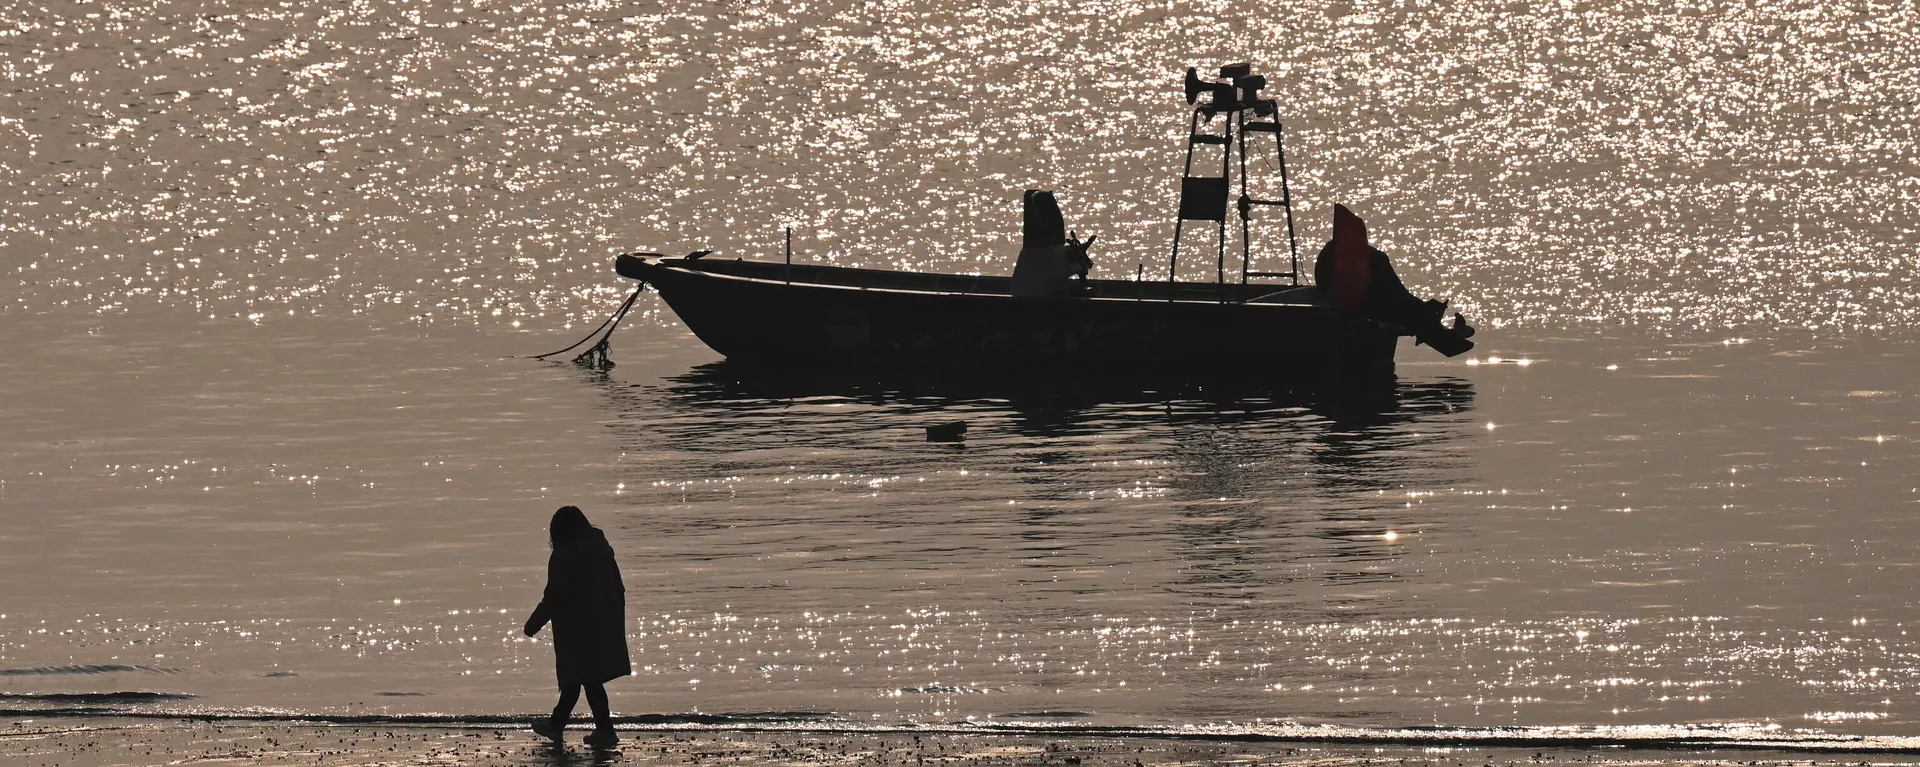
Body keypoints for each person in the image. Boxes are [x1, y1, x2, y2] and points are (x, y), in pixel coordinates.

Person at [524, 505, 631, 746]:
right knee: (588, 678)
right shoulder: (601, 549)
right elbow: (618, 587)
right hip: (603, 622)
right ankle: (592, 728)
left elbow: (555, 596)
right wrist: (614, 620)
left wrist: (534, 623)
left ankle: (565, 726)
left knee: (578, 678)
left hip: (576, 626)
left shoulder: (564, 555)